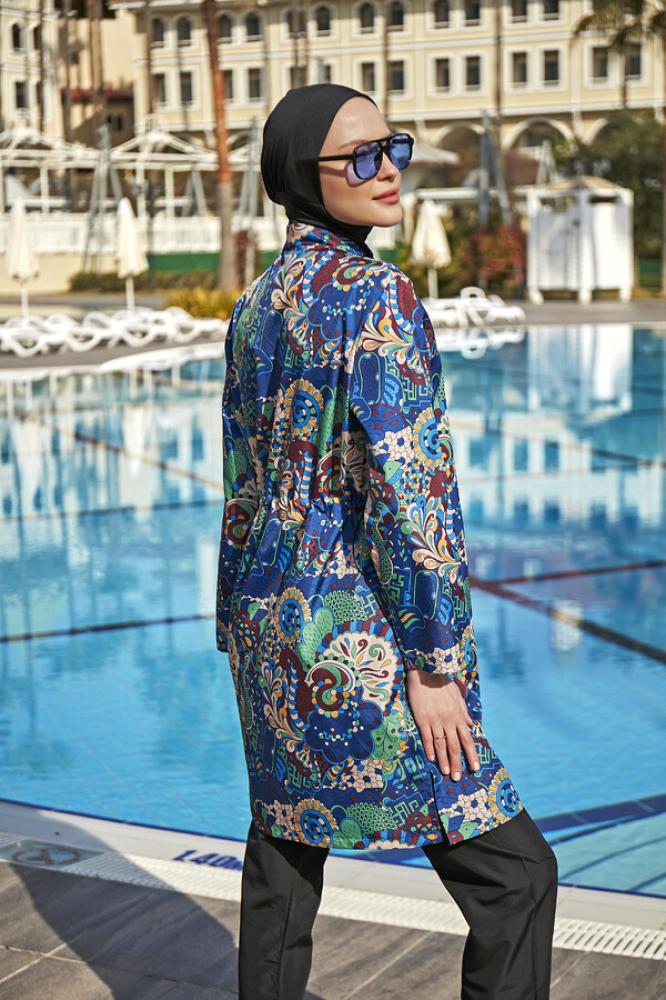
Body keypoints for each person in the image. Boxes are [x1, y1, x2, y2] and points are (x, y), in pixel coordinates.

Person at [216, 83, 558, 1000]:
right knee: (518, 879)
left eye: (392, 147)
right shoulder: (377, 296)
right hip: (358, 640)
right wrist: (435, 664)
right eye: (361, 157)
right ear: (305, 175)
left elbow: (242, 483)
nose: (388, 170)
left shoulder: (255, 305)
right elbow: (412, 493)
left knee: (284, 861)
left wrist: (236, 628)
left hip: (267, 634)